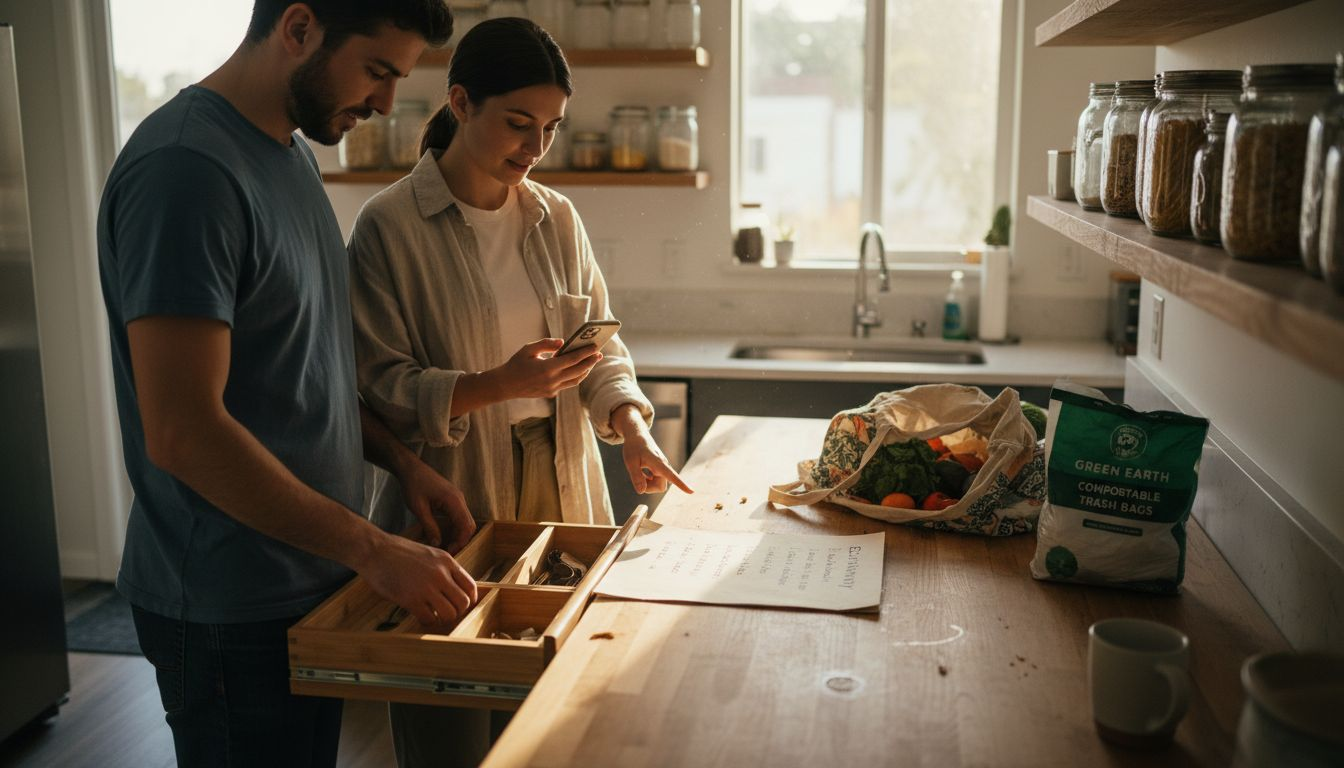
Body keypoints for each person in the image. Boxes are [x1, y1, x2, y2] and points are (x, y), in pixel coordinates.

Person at [95, 2, 475, 765]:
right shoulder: (186, 172)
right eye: (377, 70)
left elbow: (306, 367)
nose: (385, 103)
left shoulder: (291, 152)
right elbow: (183, 432)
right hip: (227, 604)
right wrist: (372, 548)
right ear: (298, 28)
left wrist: (404, 464)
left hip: (304, 582)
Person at [346, 17, 693, 767]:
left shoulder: (556, 217)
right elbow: (376, 387)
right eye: (518, 124)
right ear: (461, 102)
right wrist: (496, 385)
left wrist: (631, 427)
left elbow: (598, 347)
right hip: (452, 497)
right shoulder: (386, 228)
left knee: (559, 725)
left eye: (551, 128)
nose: (536, 149)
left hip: (564, 484)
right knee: (449, 729)